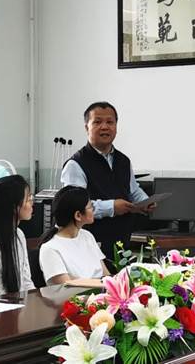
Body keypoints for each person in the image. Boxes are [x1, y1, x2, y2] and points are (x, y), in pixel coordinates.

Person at [60, 101, 155, 257]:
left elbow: (133, 190)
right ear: (86, 127)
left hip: (121, 239)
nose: (104, 127)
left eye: (110, 122)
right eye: (97, 122)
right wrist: (111, 207)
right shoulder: (75, 164)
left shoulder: (123, 160)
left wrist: (146, 202)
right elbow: (76, 207)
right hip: (90, 244)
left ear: (116, 127)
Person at [39, 185, 110, 285]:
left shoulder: (87, 236)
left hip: (101, 291)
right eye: (90, 206)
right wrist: (105, 283)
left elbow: (105, 274)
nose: (93, 209)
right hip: (76, 295)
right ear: (78, 215)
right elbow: (66, 285)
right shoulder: (50, 248)